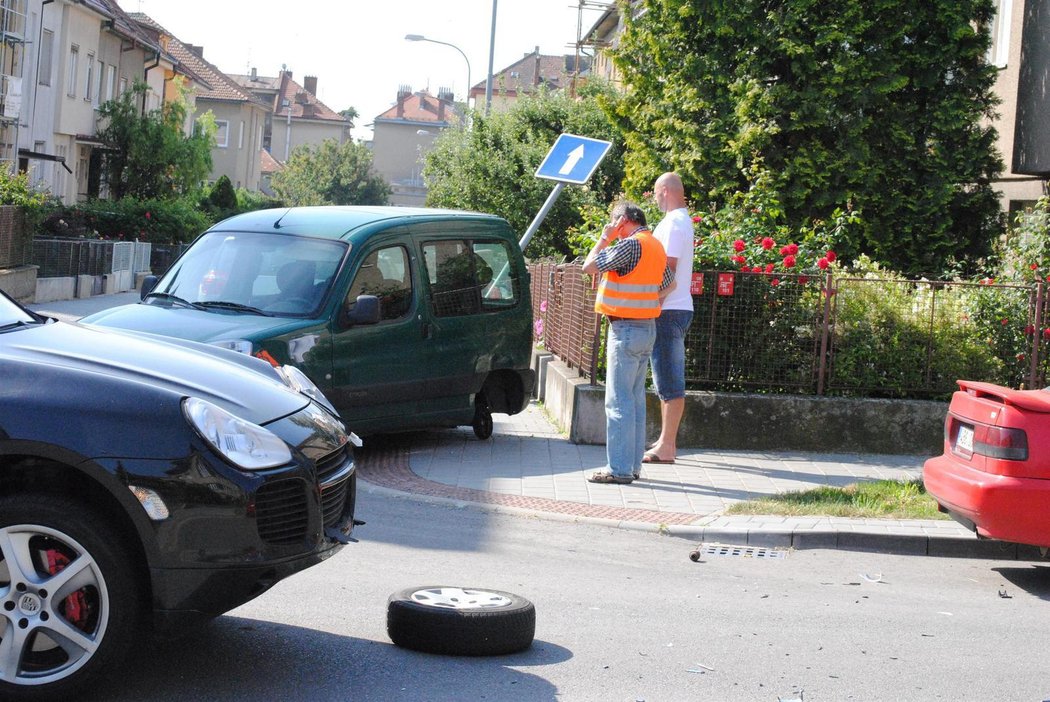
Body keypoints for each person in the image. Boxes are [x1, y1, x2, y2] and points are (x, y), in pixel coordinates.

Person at [582, 201, 674, 484]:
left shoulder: (630, 245)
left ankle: (619, 470)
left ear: (623, 220)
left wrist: (604, 237)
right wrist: (645, 305)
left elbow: (589, 266)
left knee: (618, 401)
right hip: (647, 328)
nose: (615, 229)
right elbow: (669, 284)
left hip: (625, 329)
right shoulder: (655, 245)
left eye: (615, 223)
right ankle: (632, 467)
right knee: (634, 400)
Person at [645, 172, 694, 465]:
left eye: (655, 192)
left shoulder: (674, 223)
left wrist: (654, 303)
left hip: (669, 309)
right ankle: (665, 440)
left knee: (669, 379)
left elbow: (668, 269)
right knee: (665, 376)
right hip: (677, 307)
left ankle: (667, 446)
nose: (653, 198)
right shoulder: (679, 222)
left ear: (665, 191)